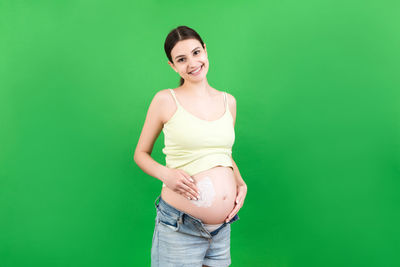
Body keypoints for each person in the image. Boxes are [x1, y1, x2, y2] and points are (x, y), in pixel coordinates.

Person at [134, 25, 247, 267]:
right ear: (172, 66)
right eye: (181, 59)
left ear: (205, 50)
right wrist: (167, 175)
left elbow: (222, 154)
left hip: (221, 230)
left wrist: (240, 182)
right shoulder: (165, 100)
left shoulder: (229, 102)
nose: (192, 63)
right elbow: (140, 154)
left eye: (196, 53)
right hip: (180, 227)